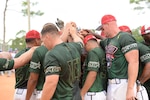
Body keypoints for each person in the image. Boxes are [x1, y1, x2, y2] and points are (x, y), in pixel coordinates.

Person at [99, 14, 139, 100]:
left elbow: (134, 62)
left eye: (103, 28)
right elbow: (98, 41)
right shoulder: (108, 40)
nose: (103, 31)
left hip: (124, 83)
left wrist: (130, 88)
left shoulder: (125, 37)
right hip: (111, 84)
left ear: (108, 24)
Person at [40, 22, 83, 100]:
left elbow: (51, 83)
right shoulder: (74, 47)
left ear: (47, 37)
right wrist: (73, 34)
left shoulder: (52, 55)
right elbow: (80, 43)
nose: (43, 44)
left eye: (43, 40)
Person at [120, 25, 149, 100]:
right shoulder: (138, 45)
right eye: (148, 33)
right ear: (143, 35)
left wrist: (139, 82)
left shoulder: (141, 47)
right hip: (144, 84)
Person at [14, 30, 41, 100]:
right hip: (31, 92)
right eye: (40, 39)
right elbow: (33, 79)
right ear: (36, 40)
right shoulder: (37, 54)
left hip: (18, 92)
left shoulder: (18, 54)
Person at [80, 34, 107, 100]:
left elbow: (92, 74)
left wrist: (82, 93)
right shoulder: (103, 51)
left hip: (93, 92)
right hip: (102, 91)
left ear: (87, 44)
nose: (85, 49)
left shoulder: (93, 52)